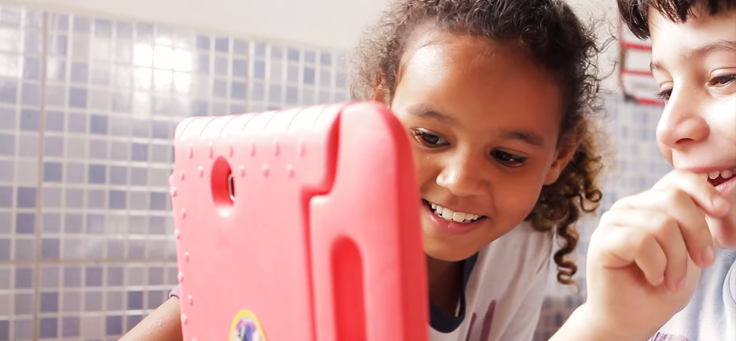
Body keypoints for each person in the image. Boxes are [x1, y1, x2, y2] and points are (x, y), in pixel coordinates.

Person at [121, 1, 606, 340]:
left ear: (558, 157)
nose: (459, 180)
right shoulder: (303, 236)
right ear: (380, 111)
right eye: (431, 138)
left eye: (507, 156)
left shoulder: (525, 243)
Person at [551, 0, 735, 340]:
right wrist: (605, 325)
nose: (667, 129)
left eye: (724, 77)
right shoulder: (676, 286)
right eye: (666, 91)